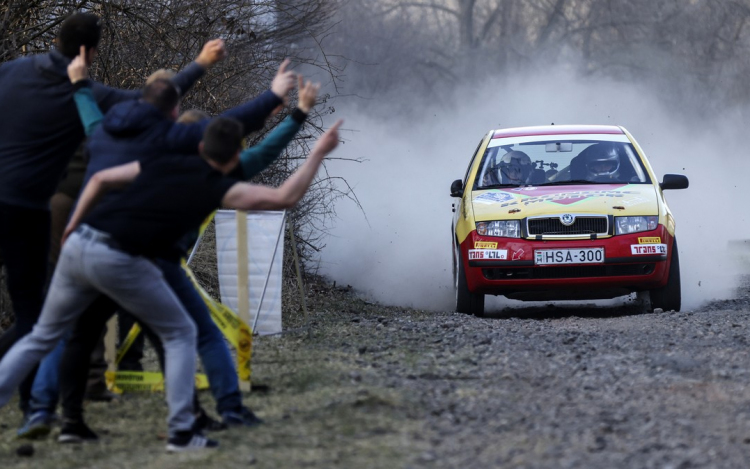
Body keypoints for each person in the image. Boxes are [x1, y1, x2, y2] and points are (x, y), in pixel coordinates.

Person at [0, 116, 342, 452]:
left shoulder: (160, 160)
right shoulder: (216, 186)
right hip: (122, 258)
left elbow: (102, 178)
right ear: (234, 157)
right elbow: (284, 197)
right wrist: (318, 152)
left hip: (80, 245)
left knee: (43, 336)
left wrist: (74, 225)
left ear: (199, 146)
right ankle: (182, 431)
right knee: (181, 334)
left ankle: (33, 405)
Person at [39, 53, 296, 443]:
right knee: (189, 334)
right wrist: (293, 114)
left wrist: (80, 88)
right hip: (149, 260)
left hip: (105, 251)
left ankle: (52, 414)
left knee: (72, 332)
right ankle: (213, 413)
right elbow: (260, 154)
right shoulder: (203, 172)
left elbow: (94, 127)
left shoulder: (137, 149)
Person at [0, 12, 220, 418]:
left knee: (57, 317)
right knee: (43, 315)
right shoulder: (98, 102)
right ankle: (37, 404)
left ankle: (52, 399)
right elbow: (153, 105)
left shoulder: (10, 72)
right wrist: (202, 63)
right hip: (37, 210)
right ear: (91, 52)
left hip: (47, 209)